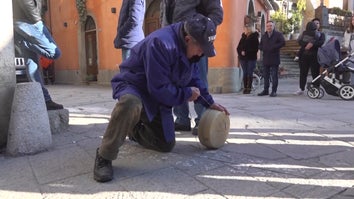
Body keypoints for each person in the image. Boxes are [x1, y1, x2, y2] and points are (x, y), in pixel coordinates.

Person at [93, 14, 229, 183]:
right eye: (202, 47)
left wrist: (210, 102)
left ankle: (131, 129)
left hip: (158, 94)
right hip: (136, 86)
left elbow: (195, 79)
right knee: (131, 103)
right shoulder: (161, 43)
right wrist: (186, 94)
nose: (203, 52)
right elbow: (158, 88)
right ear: (188, 39)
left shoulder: (193, 49)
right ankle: (104, 155)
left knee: (165, 144)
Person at [160, 0, 223, 135]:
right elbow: (166, 14)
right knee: (175, 80)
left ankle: (203, 119)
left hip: (195, 41)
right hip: (173, 39)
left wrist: (201, 31)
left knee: (197, 79)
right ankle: (182, 119)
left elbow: (217, 13)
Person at [13, 0, 63, 110]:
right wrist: (37, 20)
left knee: (32, 65)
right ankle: (23, 42)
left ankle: (44, 100)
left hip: (21, 20)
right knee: (54, 53)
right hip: (29, 21)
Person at [294, 18, 325, 95]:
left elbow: (321, 43)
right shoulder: (304, 33)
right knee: (303, 73)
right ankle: (301, 88)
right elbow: (299, 41)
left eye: (317, 23)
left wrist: (312, 44)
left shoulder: (321, 34)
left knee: (315, 73)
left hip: (315, 55)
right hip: (304, 55)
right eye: (314, 23)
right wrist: (307, 45)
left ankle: (316, 88)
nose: (316, 24)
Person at [258, 20, 285, 97]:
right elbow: (260, 45)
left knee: (274, 75)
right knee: (265, 75)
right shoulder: (264, 36)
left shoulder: (278, 34)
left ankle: (274, 91)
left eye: (270, 26)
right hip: (266, 58)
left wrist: (274, 47)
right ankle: (265, 90)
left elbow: (283, 42)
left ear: (273, 26)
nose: (269, 27)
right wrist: (263, 48)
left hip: (274, 58)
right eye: (267, 26)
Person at [237, 24, 259, 94]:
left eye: (246, 29)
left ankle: (249, 88)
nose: (244, 30)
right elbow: (238, 47)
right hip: (243, 58)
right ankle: (245, 88)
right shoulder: (243, 37)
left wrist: (246, 52)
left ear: (249, 29)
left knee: (250, 73)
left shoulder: (255, 37)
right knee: (245, 73)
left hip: (251, 58)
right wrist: (241, 52)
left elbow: (255, 48)